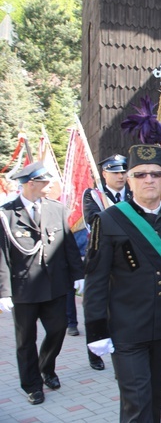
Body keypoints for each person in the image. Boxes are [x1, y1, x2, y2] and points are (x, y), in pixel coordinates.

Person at [83, 144, 161, 423]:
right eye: (140, 175)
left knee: (154, 399)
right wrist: (95, 330)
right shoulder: (109, 220)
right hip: (127, 330)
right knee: (137, 402)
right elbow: (96, 280)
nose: (149, 180)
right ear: (129, 180)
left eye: (156, 173)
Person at [0, 161, 84, 405]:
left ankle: (46, 367)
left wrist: (78, 275)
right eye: (46, 183)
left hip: (55, 286)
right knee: (25, 340)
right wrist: (3, 291)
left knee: (57, 330)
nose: (50, 187)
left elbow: (67, 245)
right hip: (24, 289)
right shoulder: (7, 215)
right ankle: (32, 385)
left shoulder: (56, 209)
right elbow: (2, 256)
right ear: (30, 184)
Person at [67, 154, 131, 373]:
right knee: (98, 306)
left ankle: (123, 348)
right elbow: (93, 222)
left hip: (129, 260)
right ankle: (94, 352)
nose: (120, 176)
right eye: (115, 172)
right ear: (104, 174)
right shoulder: (93, 195)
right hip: (101, 258)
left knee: (125, 306)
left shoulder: (133, 194)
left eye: (123, 171)